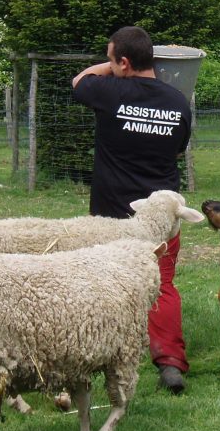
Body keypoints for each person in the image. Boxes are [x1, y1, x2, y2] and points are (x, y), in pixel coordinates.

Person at [71, 26, 192, 394]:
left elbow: (79, 81)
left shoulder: (109, 91)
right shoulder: (178, 101)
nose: (108, 66)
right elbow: (178, 147)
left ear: (123, 62)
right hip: (161, 218)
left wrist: (110, 69)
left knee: (100, 284)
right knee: (163, 285)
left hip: (111, 216)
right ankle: (170, 362)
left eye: (112, 59)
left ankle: (96, 355)